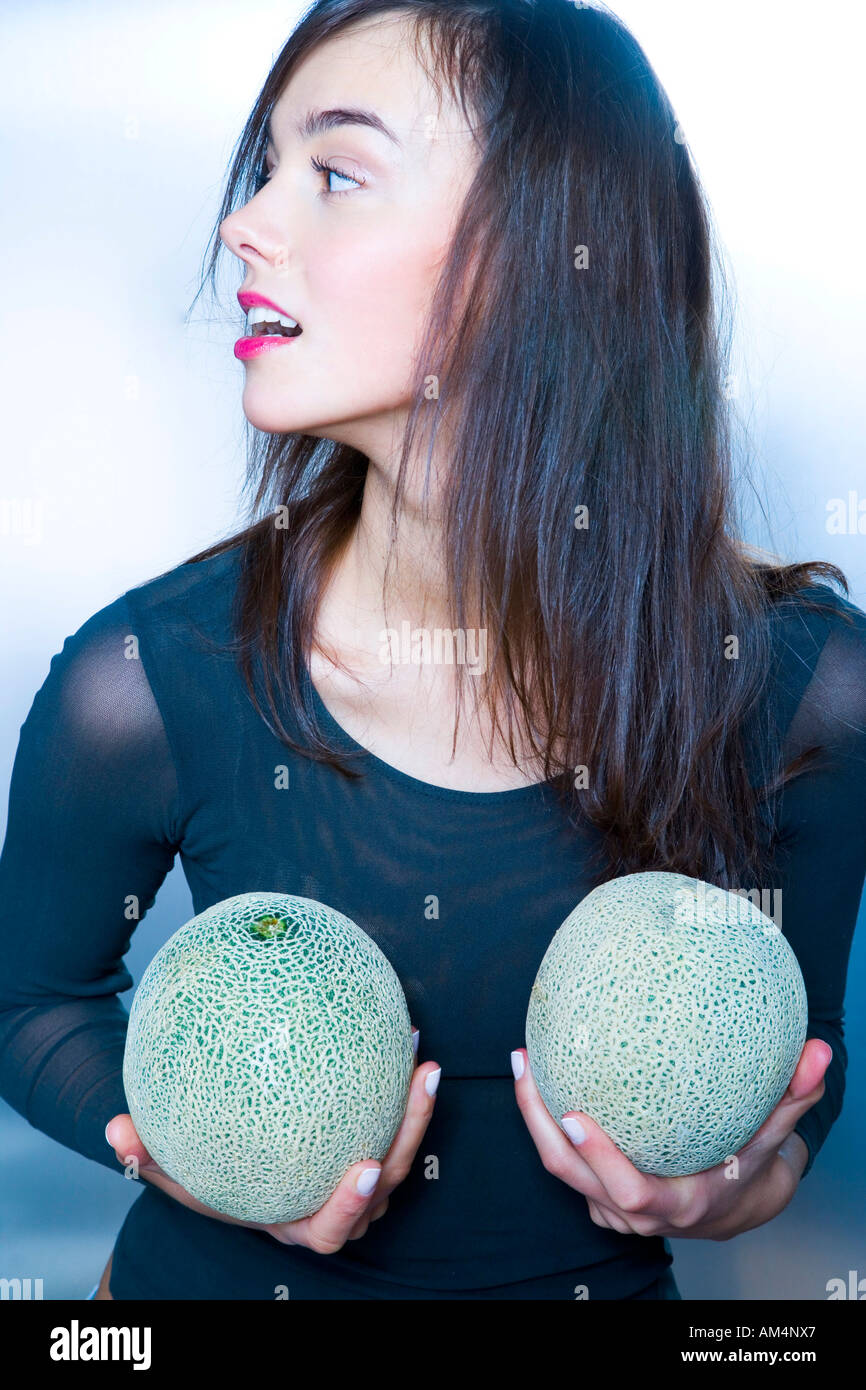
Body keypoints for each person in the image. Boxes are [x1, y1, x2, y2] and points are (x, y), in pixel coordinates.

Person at [2, 0, 865, 1302]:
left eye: (336, 172)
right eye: (267, 167)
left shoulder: (808, 690)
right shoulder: (144, 678)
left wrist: (740, 1181)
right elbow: (33, 1002)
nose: (245, 223)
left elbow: (796, 1068)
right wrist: (169, 1149)